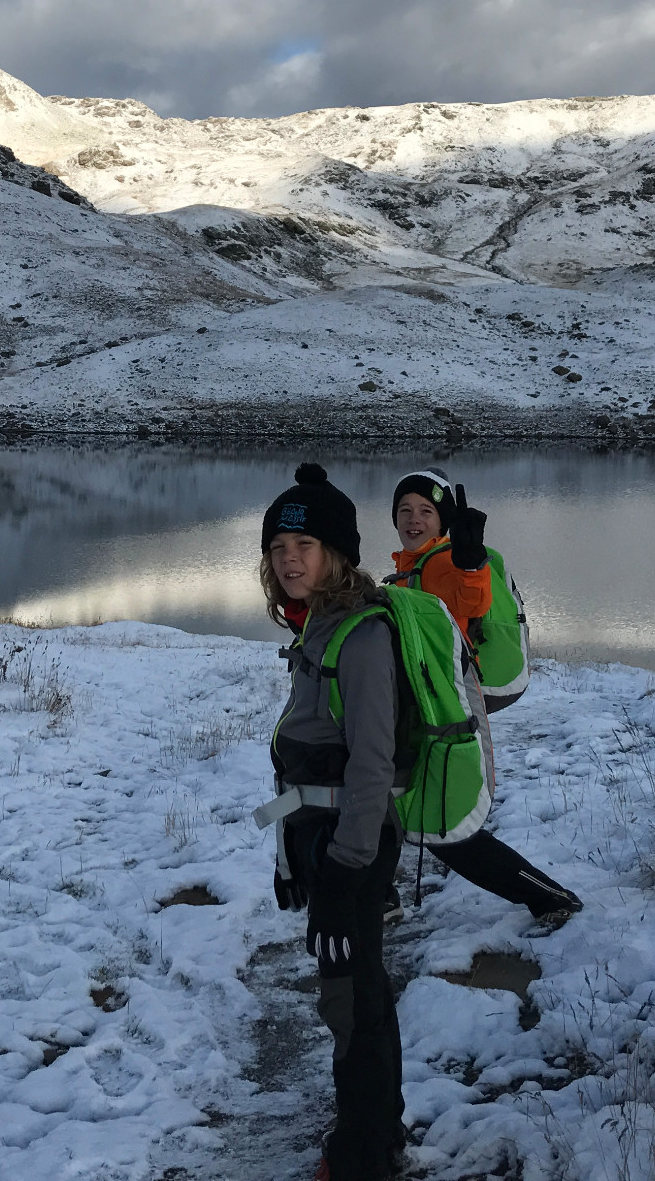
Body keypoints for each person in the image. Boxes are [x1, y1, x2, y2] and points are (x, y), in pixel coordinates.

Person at [261, 463, 404, 1181]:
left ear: (339, 555)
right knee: (357, 989)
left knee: (352, 999)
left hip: (352, 846)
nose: (289, 560)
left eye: (306, 547)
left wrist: (346, 873)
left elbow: (372, 766)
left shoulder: (362, 636)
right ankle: (375, 1130)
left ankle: (362, 1156)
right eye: (280, 549)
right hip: (322, 840)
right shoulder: (319, 624)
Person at [387, 469, 580, 924]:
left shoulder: (442, 563)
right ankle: (380, 899)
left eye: (426, 512)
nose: (414, 520)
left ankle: (549, 897)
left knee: (449, 830)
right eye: (405, 510)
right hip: (416, 709)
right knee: (387, 801)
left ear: (442, 520)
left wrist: (471, 564)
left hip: (443, 712)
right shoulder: (411, 568)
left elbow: (470, 600)